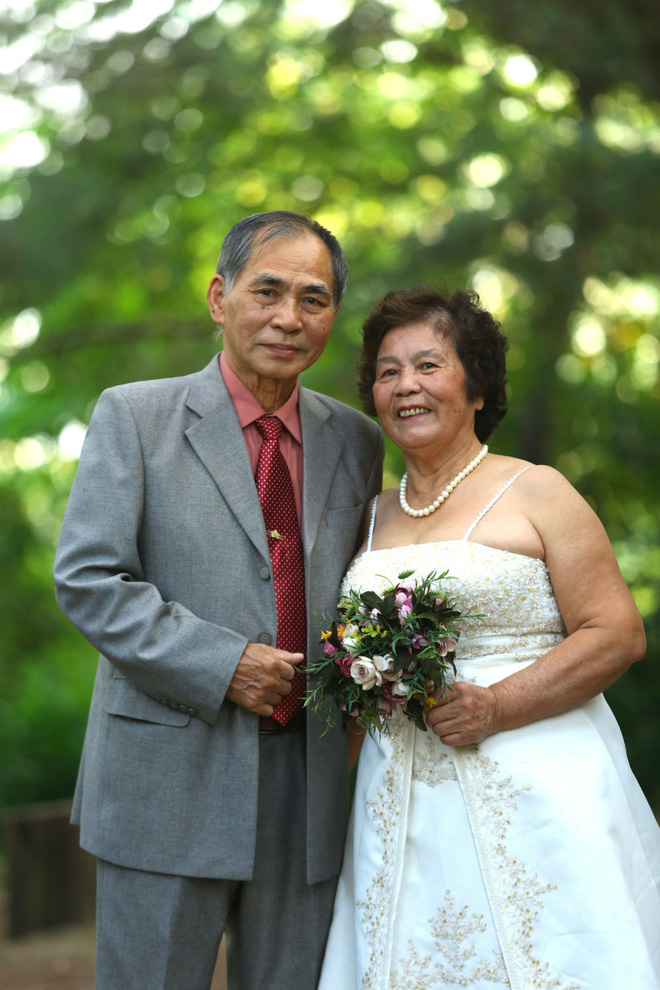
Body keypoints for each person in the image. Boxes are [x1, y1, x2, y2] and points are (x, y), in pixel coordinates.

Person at [53, 210, 384, 990]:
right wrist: (223, 663)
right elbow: (89, 579)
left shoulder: (358, 440)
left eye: (313, 299)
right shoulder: (134, 416)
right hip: (167, 779)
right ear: (218, 297)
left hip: (308, 793)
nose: (288, 317)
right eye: (267, 291)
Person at [318, 286, 660, 990]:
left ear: (476, 387)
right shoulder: (368, 516)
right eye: (387, 371)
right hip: (398, 807)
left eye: (428, 365)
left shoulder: (538, 491)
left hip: (538, 796)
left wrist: (497, 706)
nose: (405, 385)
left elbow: (617, 634)